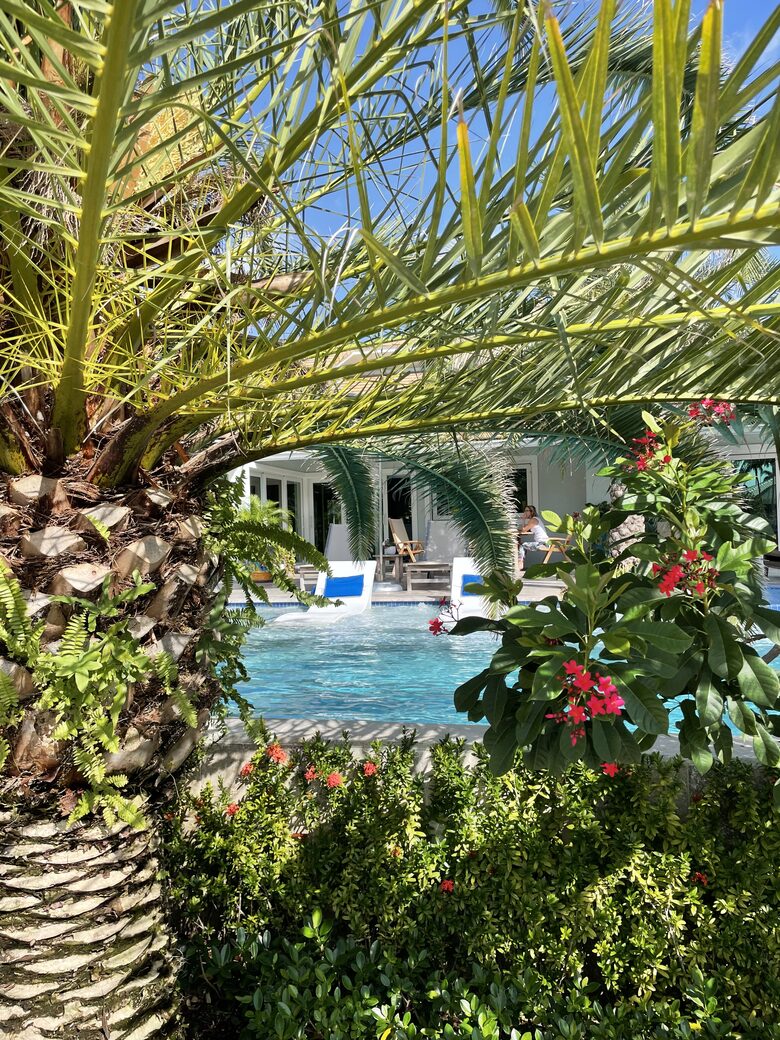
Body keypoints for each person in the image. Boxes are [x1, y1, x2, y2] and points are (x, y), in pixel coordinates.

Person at [517, 505, 550, 569]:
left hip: (543, 543)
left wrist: (523, 519)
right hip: (543, 542)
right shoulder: (535, 519)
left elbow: (524, 530)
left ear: (531, 512)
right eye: (525, 511)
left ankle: (519, 565)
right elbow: (525, 529)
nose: (525, 512)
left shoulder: (533, 520)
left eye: (527, 511)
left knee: (522, 545)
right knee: (523, 545)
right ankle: (520, 563)